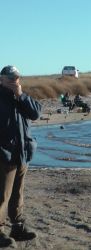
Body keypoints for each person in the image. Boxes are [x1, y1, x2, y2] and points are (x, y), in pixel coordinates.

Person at [0, 65, 42, 247]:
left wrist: (21, 95)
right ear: (1, 79)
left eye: (16, 77)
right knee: (2, 195)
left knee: (18, 194)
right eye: (10, 78)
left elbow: (36, 113)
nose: (14, 81)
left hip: (22, 154)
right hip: (4, 155)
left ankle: (17, 227)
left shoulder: (21, 98)